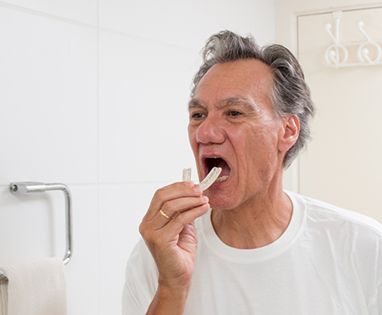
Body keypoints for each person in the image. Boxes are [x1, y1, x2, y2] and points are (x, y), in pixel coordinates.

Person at [122, 30, 382, 315]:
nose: (205, 133)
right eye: (198, 115)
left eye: (234, 113)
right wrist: (173, 287)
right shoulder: (159, 256)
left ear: (288, 130)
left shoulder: (364, 247)